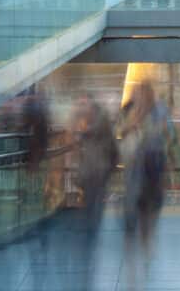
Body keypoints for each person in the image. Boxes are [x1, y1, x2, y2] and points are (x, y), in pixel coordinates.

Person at [119, 81, 173, 289]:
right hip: (141, 172)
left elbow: (166, 135)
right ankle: (144, 246)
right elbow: (121, 133)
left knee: (145, 211)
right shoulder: (133, 111)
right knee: (142, 211)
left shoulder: (154, 111)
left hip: (146, 171)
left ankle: (144, 245)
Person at [69, 95, 117, 286]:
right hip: (96, 170)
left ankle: (91, 228)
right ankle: (91, 227)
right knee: (93, 201)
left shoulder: (96, 125)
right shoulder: (96, 125)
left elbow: (91, 139)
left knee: (93, 201)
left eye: (84, 105)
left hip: (96, 169)